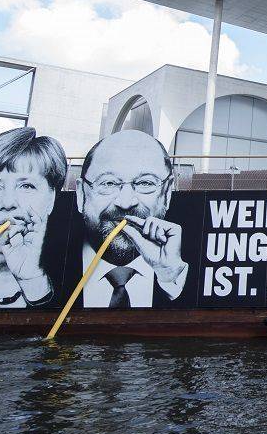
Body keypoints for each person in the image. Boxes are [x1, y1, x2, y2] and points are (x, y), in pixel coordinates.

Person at [78, 130, 188, 308]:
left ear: (167, 193)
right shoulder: (44, 265)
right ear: (80, 194)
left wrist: (170, 277)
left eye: (145, 183)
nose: (126, 203)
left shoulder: (182, 266)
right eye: (108, 183)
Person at [0, 127, 67, 307]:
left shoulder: (72, 276)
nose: (8, 202)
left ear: (52, 199)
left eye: (26, 186)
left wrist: (34, 282)